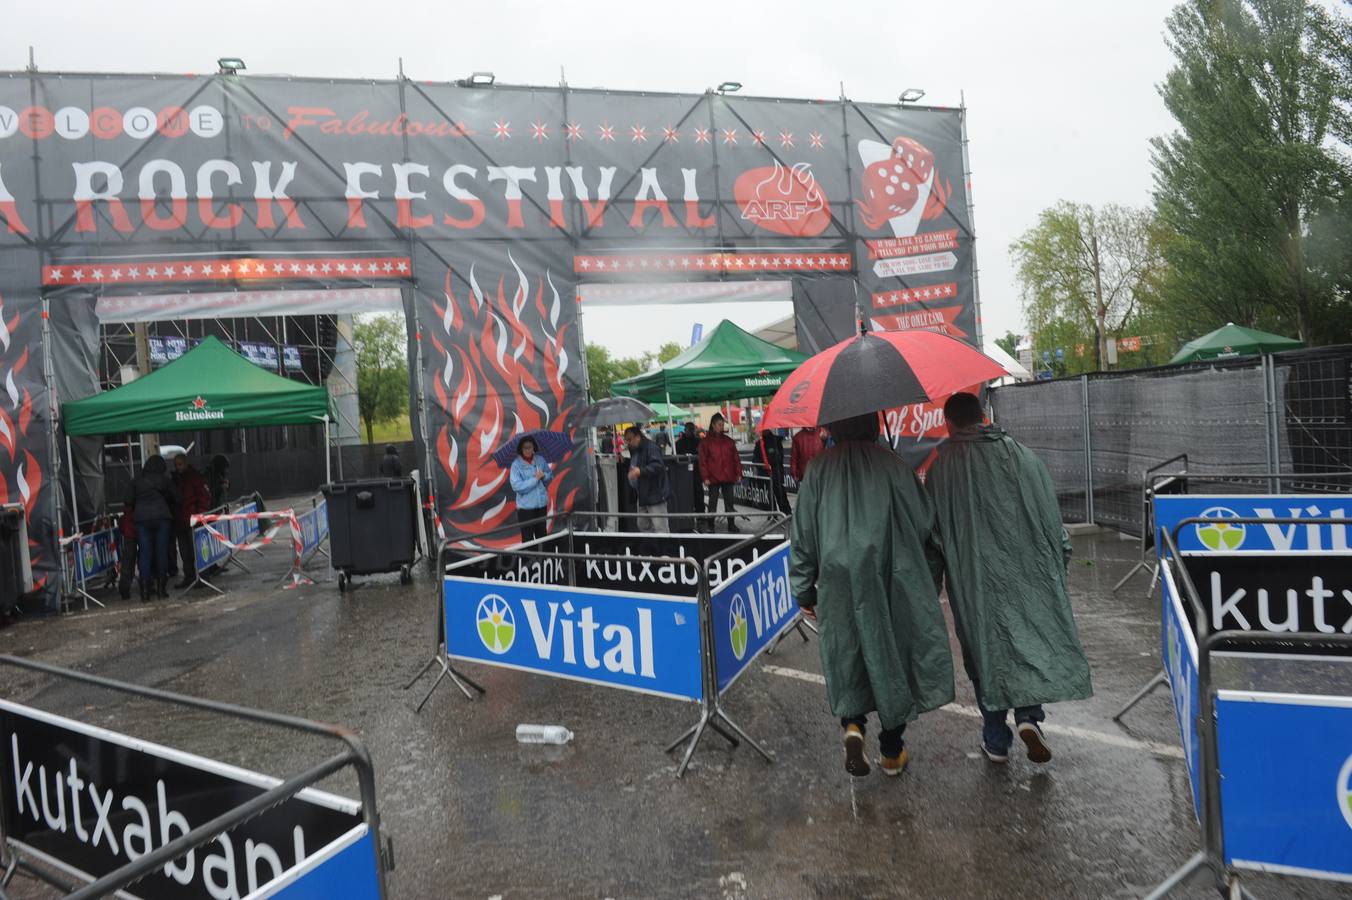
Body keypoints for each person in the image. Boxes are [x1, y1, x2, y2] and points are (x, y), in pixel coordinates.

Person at [926, 392, 1092, 764]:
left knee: (986, 653)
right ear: (983, 417)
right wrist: (1058, 562)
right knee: (1026, 643)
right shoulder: (1024, 456)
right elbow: (1051, 518)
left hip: (973, 583)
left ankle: (996, 739)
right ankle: (1029, 717)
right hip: (1027, 575)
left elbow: (933, 538)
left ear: (948, 423)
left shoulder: (941, 469)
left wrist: (930, 585)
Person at [789, 411, 953, 778]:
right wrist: (929, 579)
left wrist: (803, 589)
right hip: (892, 577)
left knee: (849, 654)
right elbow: (926, 523)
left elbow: (802, 538)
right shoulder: (894, 465)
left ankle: (853, 726)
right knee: (893, 655)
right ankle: (892, 750)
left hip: (837, 582)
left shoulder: (817, 471)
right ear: (874, 425)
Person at [125, 455, 178, 601]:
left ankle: (144, 592)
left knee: (144, 553)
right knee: (161, 552)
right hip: (162, 517)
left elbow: (127, 500)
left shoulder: (137, 480)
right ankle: (161, 589)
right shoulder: (164, 479)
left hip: (141, 519)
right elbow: (178, 497)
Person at [171, 454, 211, 589]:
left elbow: (204, 497)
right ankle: (189, 577)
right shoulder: (176, 479)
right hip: (181, 520)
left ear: (186, 463)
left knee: (196, 551)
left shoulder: (195, 478)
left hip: (193, 520)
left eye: (180, 464)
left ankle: (202, 576)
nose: (178, 467)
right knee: (185, 552)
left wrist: (200, 514)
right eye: (176, 464)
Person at [698, 413, 741, 533]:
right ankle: (710, 526)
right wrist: (705, 477)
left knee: (730, 503)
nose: (721, 427)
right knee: (712, 504)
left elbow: (736, 458)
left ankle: (731, 525)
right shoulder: (705, 442)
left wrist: (738, 473)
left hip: (728, 477)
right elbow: (703, 461)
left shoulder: (729, 441)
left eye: (722, 424)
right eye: (719, 424)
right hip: (713, 478)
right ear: (713, 425)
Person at [624, 425, 671, 532]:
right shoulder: (636, 449)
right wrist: (625, 461)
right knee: (642, 524)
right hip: (643, 493)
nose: (628, 443)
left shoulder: (651, 447)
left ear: (637, 437)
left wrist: (640, 471)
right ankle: (654, 545)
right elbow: (637, 464)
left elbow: (658, 466)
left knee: (660, 526)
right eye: (627, 441)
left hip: (655, 493)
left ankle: (665, 546)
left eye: (630, 440)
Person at [509, 436, 553, 542]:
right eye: (525, 447)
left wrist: (544, 476)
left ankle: (542, 558)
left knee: (542, 535)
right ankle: (529, 559)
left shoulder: (540, 460)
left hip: (541, 505)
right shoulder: (516, 465)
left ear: (534, 447)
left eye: (530, 447)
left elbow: (550, 476)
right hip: (525, 508)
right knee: (527, 538)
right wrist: (535, 479)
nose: (528, 450)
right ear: (521, 449)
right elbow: (517, 486)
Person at [757, 428, 791, 514]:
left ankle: (786, 512)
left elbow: (780, 456)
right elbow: (755, 458)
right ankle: (773, 513)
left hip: (777, 473)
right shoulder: (759, 444)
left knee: (780, 494)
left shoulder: (776, 441)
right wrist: (762, 465)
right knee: (769, 496)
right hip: (766, 475)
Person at [674, 422, 704, 516]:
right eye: (689, 429)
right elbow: (674, 458)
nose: (691, 431)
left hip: (696, 473)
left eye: (692, 429)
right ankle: (687, 515)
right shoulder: (678, 443)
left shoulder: (698, 442)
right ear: (685, 430)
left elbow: (703, 456)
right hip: (683, 474)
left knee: (698, 494)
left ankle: (700, 516)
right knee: (686, 495)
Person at [117, 501, 137, 601]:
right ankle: (147, 584)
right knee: (130, 557)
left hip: (130, 524)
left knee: (129, 557)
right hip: (137, 522)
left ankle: (124, 587)